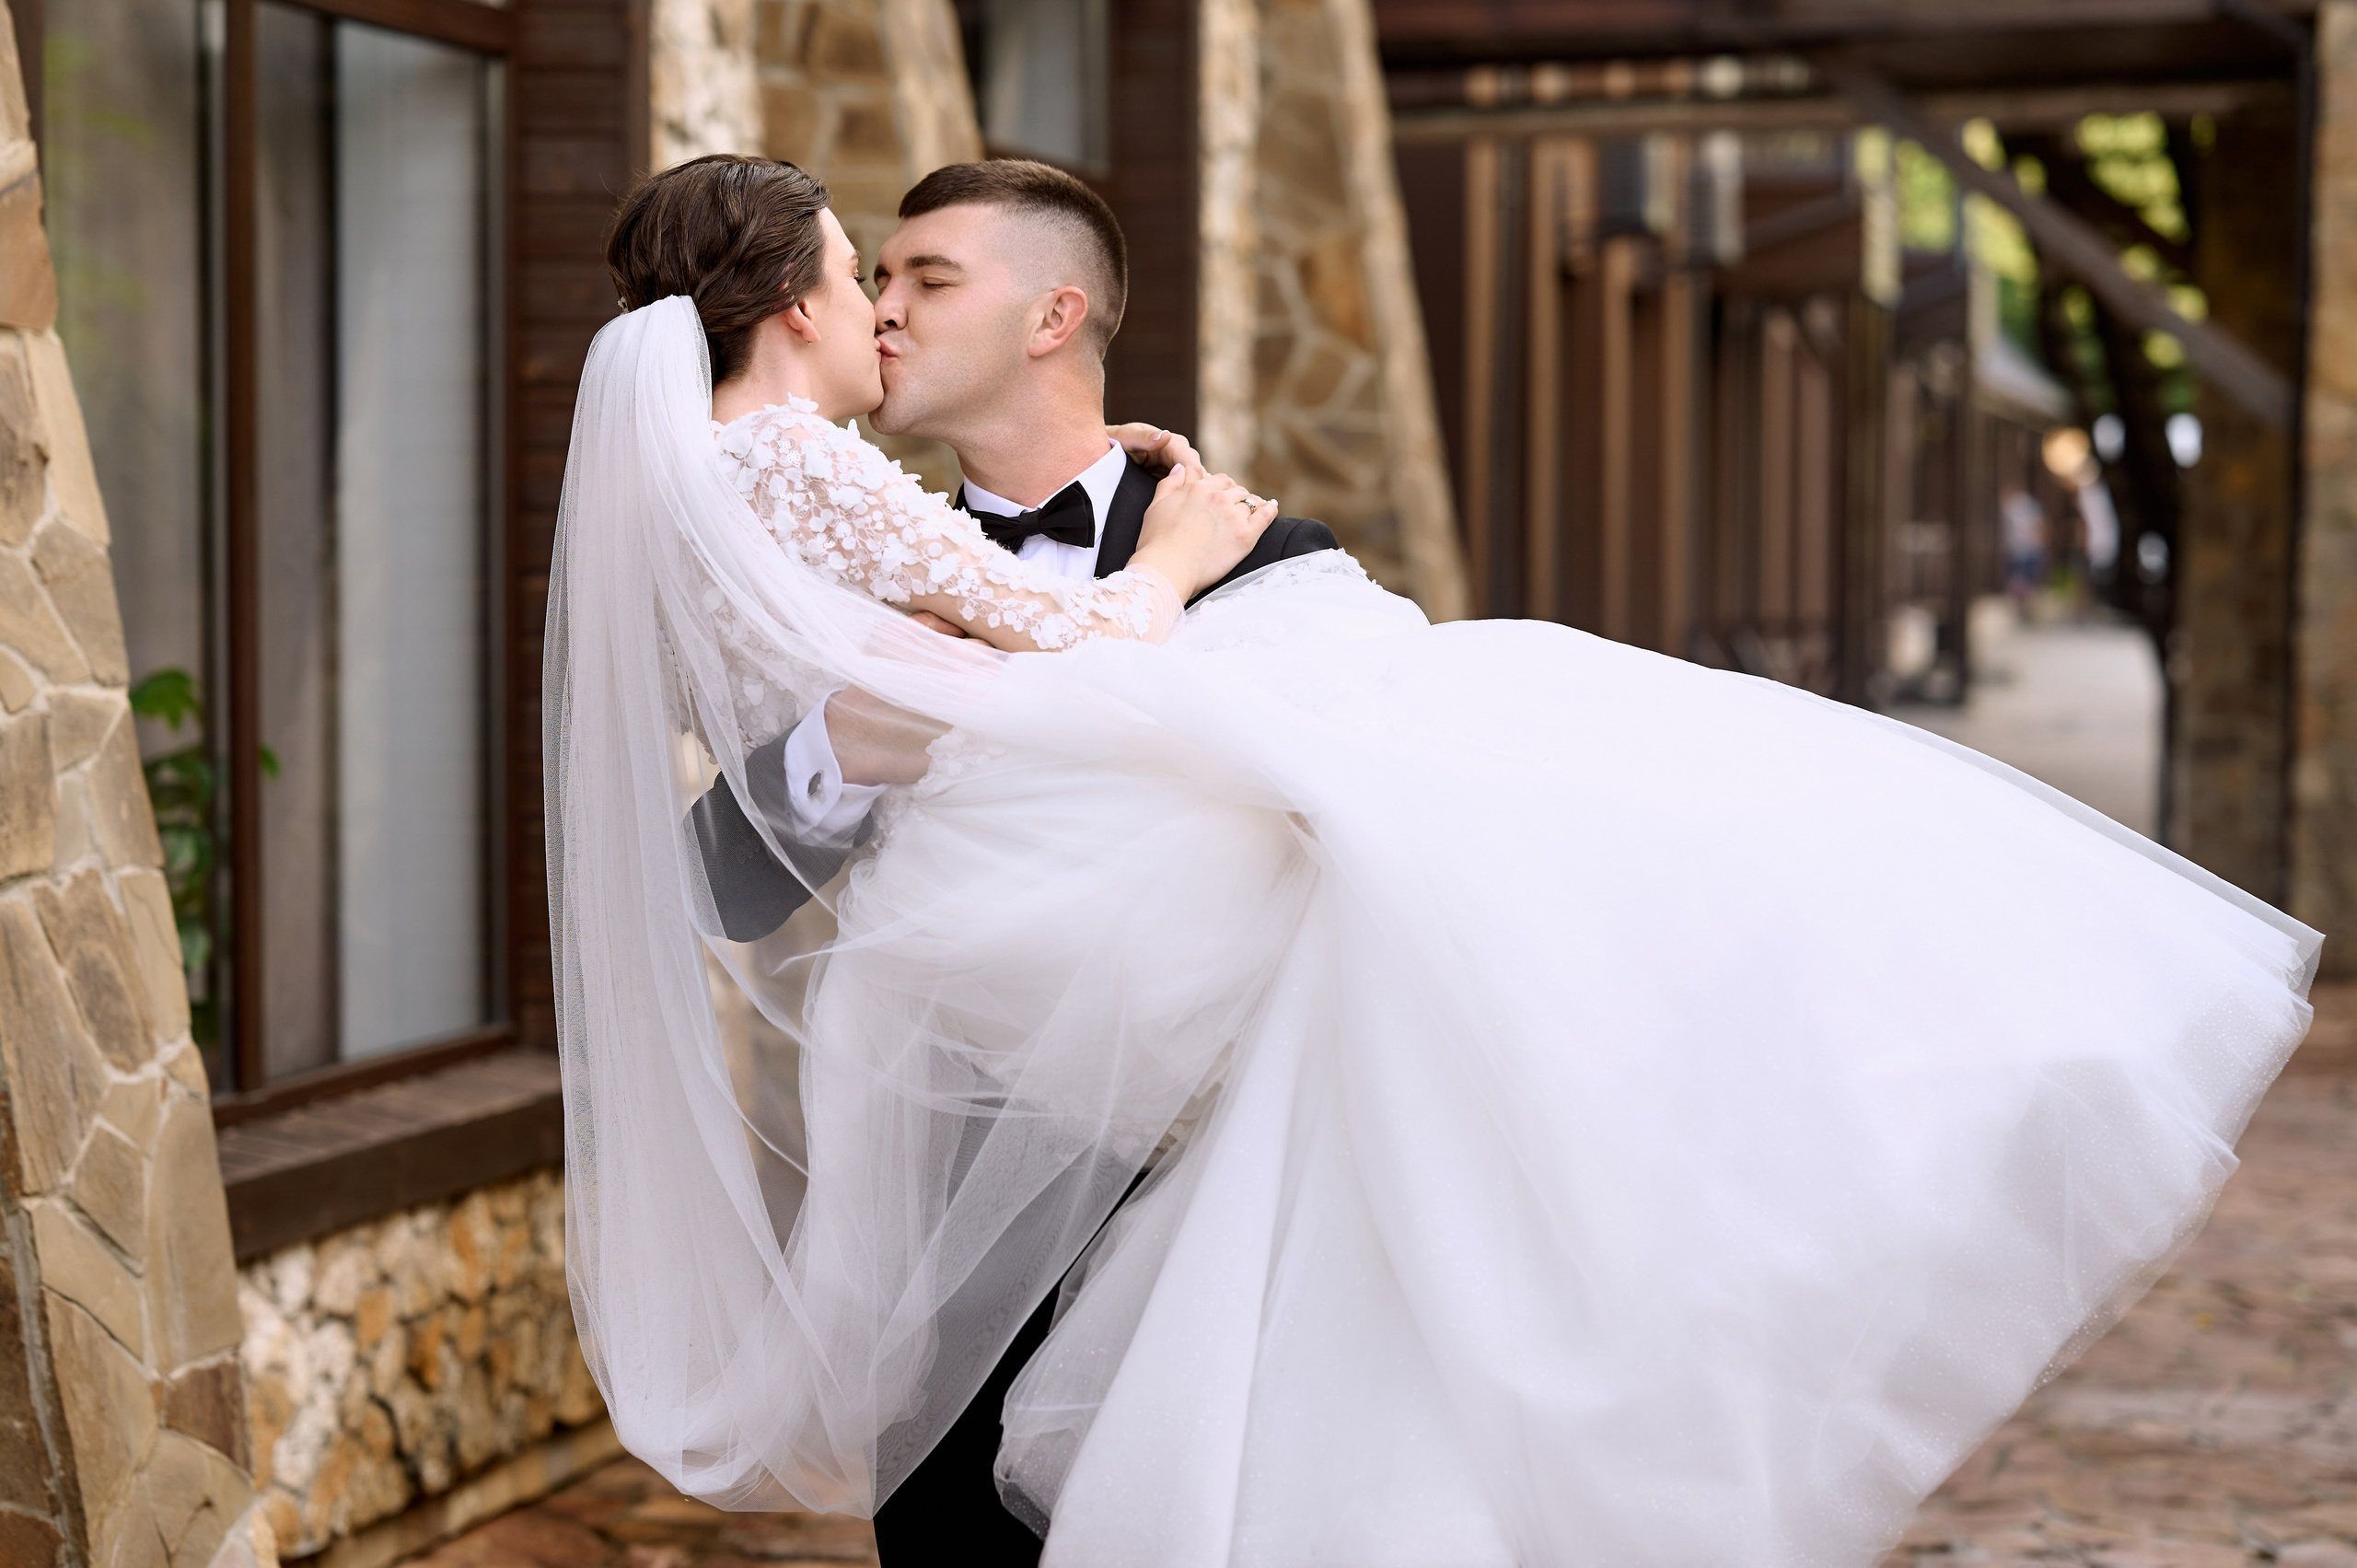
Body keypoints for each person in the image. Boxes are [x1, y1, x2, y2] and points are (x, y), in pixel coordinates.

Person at [546, 154, 2320, 1568]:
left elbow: (1405, 778)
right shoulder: (839, 522)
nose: (890, 313)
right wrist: (857, 746)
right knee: (940, 1510)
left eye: (927, 279)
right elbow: (723, 880)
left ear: (1052, 314)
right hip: (955, 1114)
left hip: (1216, 1138)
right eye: (879, 277)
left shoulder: (1264, 557)